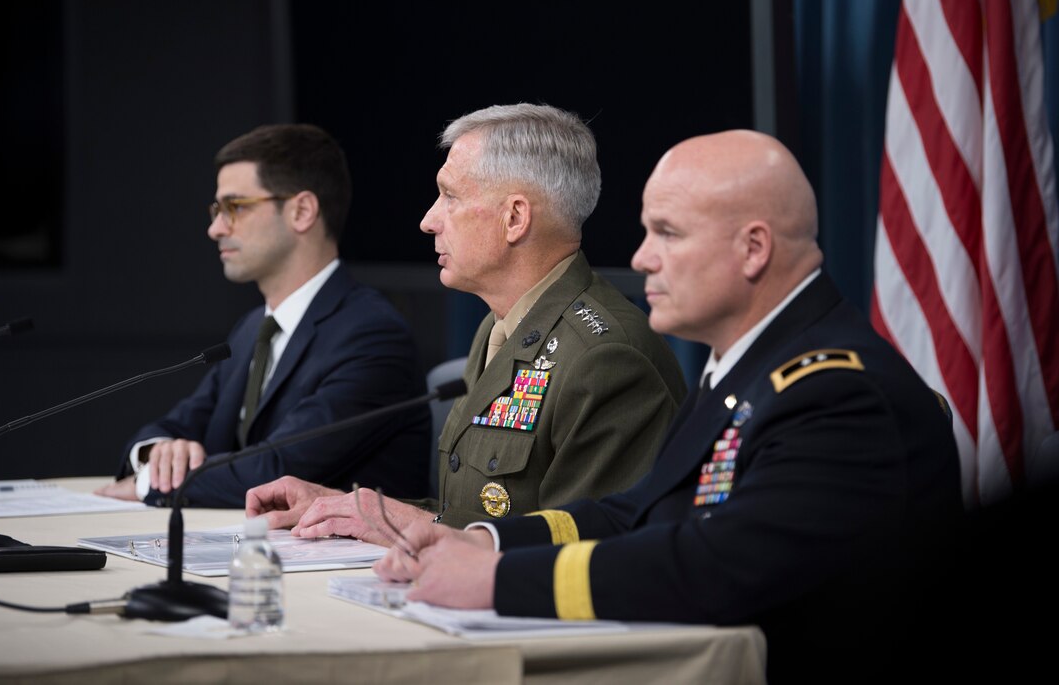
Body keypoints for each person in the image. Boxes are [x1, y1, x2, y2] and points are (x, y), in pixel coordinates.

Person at [372, 130, 965, 683]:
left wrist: (498, 581)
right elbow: (639, 512)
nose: (642, 258)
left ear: (754, 248)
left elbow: (716, 567)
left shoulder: (837, 393)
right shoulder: (744, 367)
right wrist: (484, 542)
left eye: (669, 233)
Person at [246, 103, 688, 535]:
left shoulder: (607, 357)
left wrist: (406, 522)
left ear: (514, 218)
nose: (427, 220)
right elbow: (470, 513)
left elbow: (586, 547)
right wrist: (350, 507)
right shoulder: (499, 327)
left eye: (450, 196)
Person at [96, 123, 431, 507]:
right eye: (216, 209)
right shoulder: (253, 328)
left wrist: (147, 485)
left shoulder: (372, 336)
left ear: (302, 211)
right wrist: (157, 453)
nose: (215, 228)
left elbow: (278, 469)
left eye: (234, 207)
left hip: (343, 564)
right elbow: (181, 424)